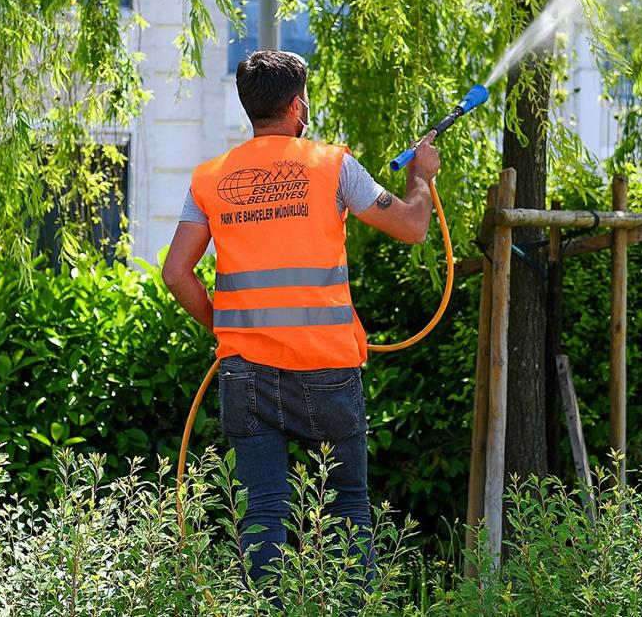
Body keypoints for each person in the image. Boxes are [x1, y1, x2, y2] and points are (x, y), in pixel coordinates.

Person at [162, 49, 440, 591]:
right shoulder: (331, 165)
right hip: (327, 367)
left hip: (244, 369)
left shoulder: (211, 179)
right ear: (297, 105)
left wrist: (226, 329)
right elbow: (412, 227)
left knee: (264, 510)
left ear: (250, 108)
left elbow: (177, 273)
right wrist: (421, 178)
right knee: (348, 509)